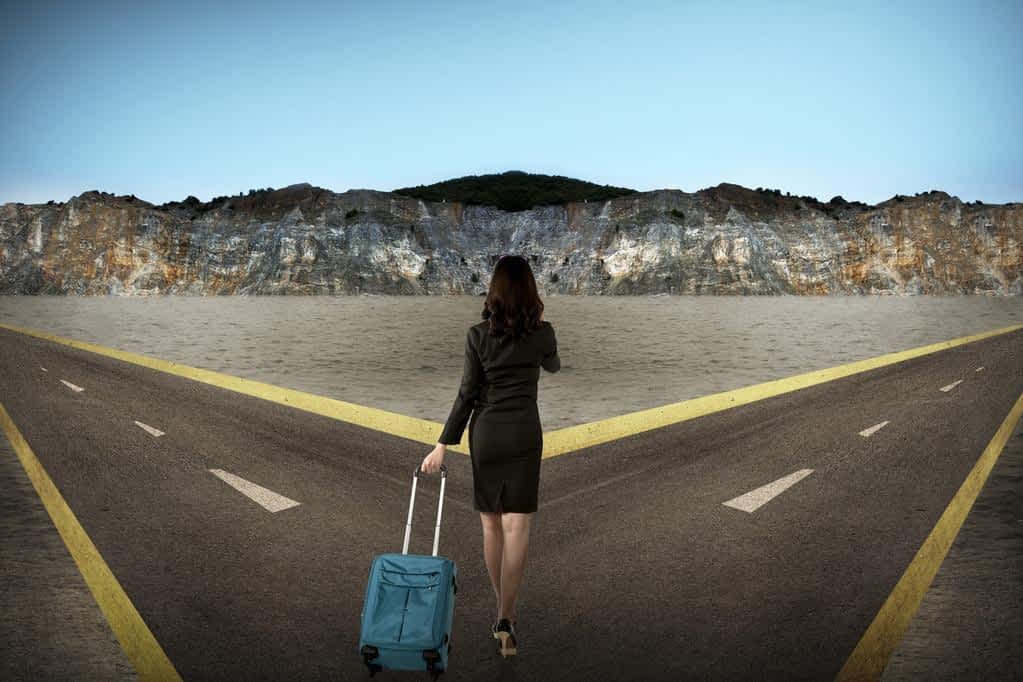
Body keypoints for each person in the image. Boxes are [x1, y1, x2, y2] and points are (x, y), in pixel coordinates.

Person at [419, 254, 560, 658]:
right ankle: (506, 617)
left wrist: (442, 445)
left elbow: (466, 394)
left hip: (487, 436)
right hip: (524, 435)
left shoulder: (477, 335)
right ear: (531, 292)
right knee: (518, 530)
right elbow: (554, 366)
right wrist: (542, 352)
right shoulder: (544, 333)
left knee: (492, 528)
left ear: (493, 291)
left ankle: (502, 612)